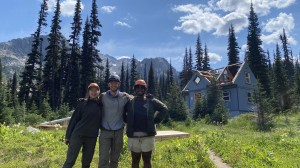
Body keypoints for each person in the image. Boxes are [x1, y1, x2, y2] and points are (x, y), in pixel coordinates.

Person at [124, 79, 168, 168]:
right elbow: (122, 111)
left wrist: (156, 120)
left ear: (145, 89)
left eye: (142, 87)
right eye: (137, 87)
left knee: (147, 160)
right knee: (135, 161)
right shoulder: (130, 102)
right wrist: (126, 120)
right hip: (133, 136)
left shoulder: (151, 101)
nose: (140, 89)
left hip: (148, 136)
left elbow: (164, 108)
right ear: (134, 89)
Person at [62, 83, 102, 168]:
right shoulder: (82, 104)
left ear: (99, 92)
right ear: (88, 91)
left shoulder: (101, 105)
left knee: (86, 163)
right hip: (77, 135)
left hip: (91, 138)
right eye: (92, 90)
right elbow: (73, 120)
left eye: (96, 90)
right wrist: (68, 136)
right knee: (70, 161)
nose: (94, 92)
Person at [98, 74, 131, 168]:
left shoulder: (125, 96)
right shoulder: (102, 96)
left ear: (119, 84)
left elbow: (136, 99)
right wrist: (84, 100)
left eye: (115, 82)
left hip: (119, 131)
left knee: (115, 158)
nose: (113, 84)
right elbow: (93, 99)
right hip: (105, 131)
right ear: (108, 84)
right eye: (111, 82)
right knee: (103, 158)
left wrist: (147, 98)